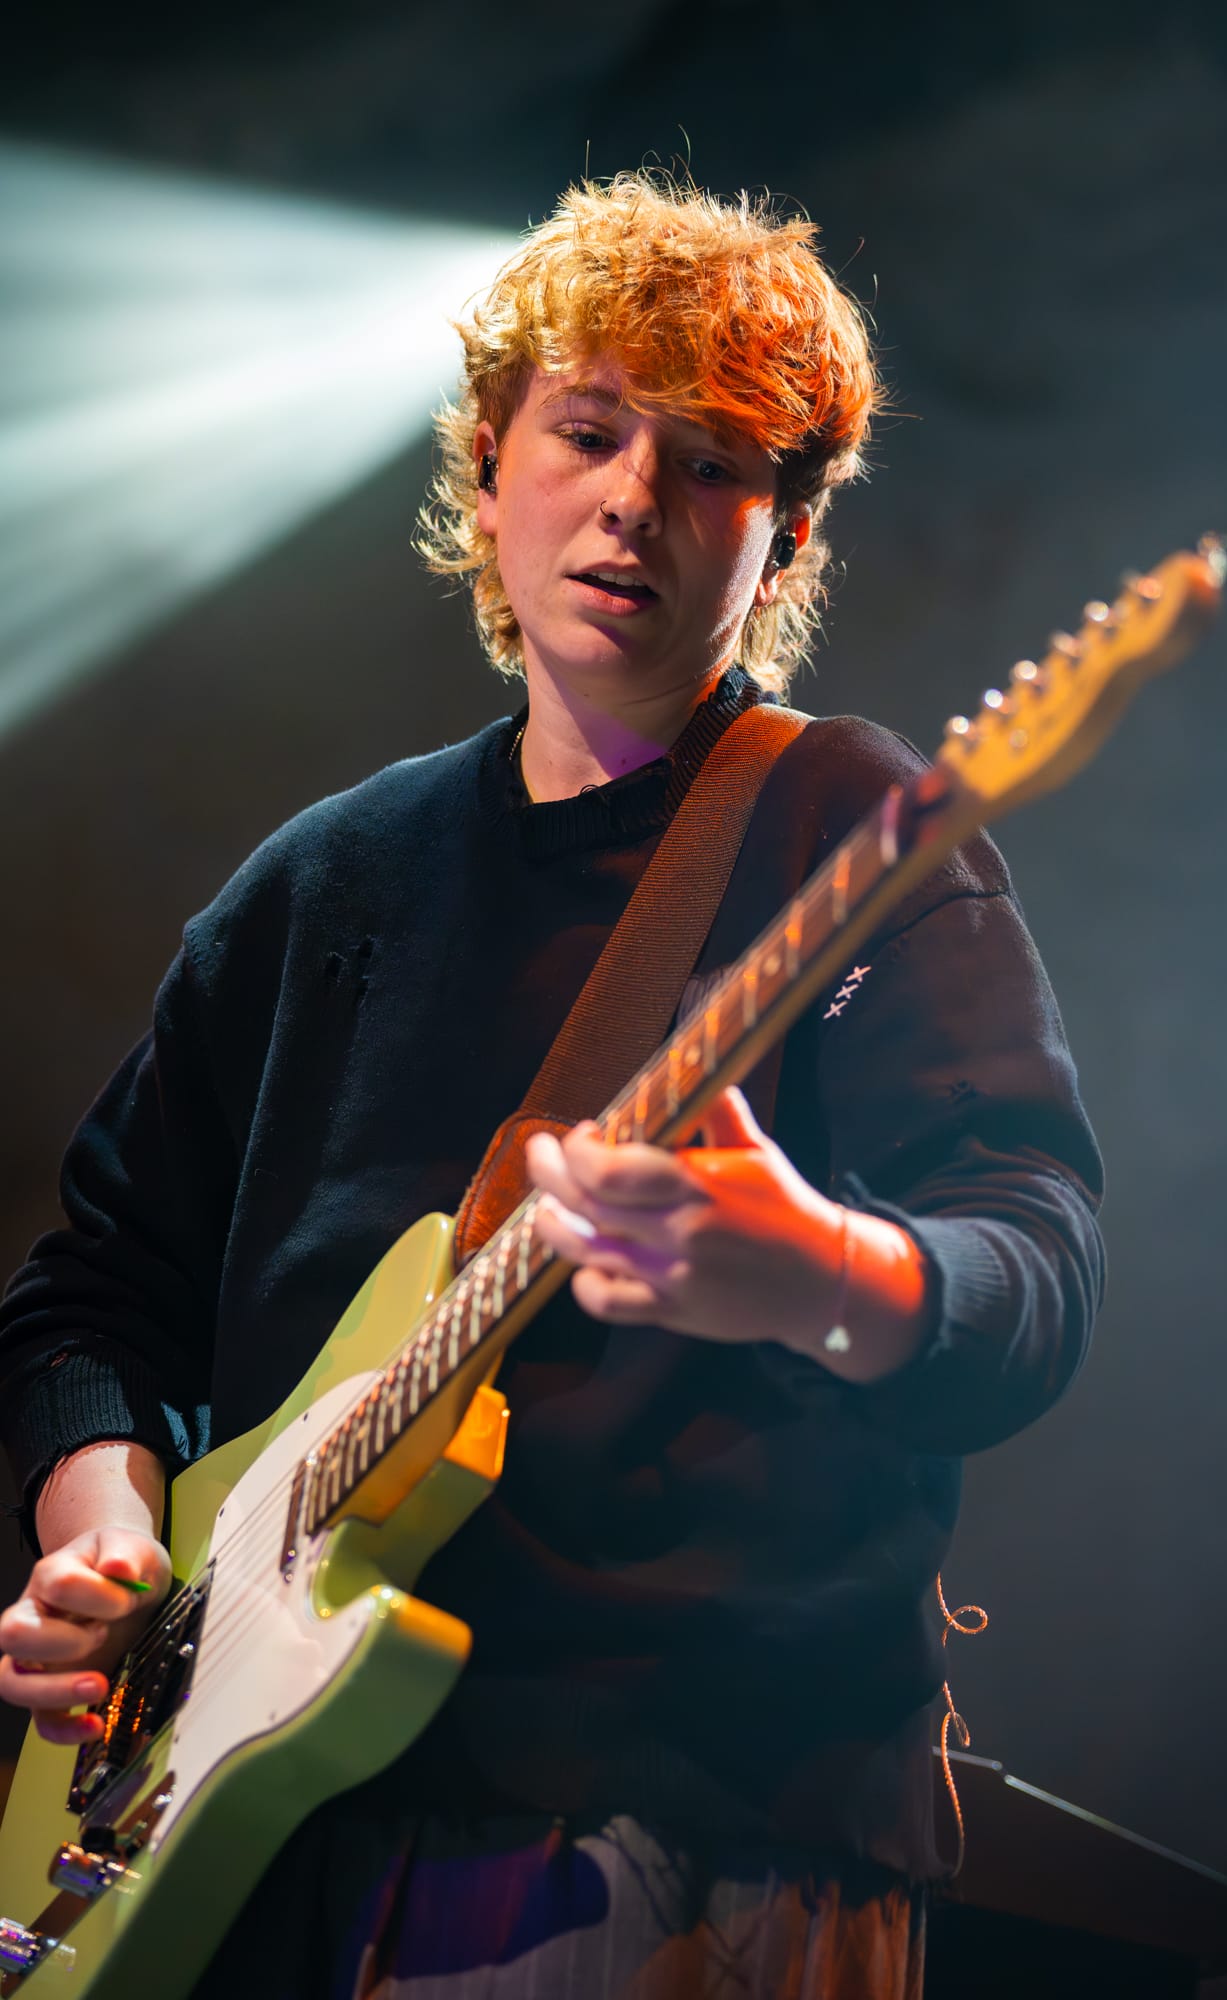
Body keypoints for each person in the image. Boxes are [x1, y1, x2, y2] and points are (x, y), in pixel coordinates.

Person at [0, 175, 1105, 1997]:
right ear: (488, 464)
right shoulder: (320, 882)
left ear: (785, 537)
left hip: (664, 1835)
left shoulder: (849, 828)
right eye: (588, 432)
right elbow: (93, 1291)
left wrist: (816, 1271)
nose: (632, 501)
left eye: (709, 464)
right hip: (237, 1820)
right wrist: (106, 1537)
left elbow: (1034, 1271)